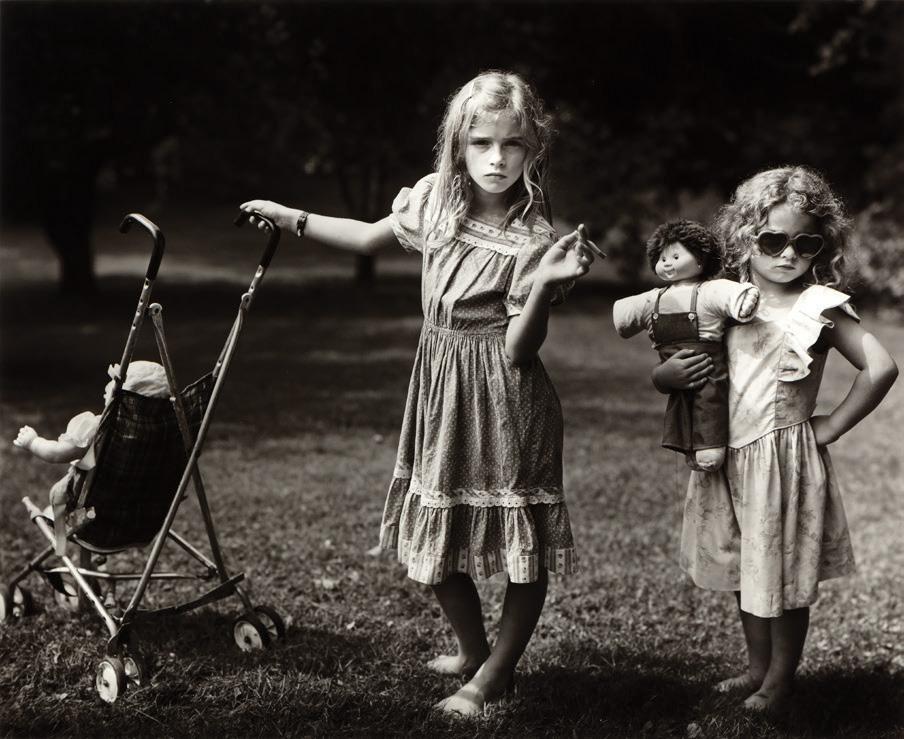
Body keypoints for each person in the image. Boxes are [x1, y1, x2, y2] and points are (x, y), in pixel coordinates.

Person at [239, 70, 599, 716]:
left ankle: (494, 676)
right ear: (458, 144)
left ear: (533, 148)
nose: (496, 158)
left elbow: (520, 350)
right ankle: (473, 649)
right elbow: (367, 236)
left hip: (507, 396)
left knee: (522, 549)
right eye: (481, 142)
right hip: (440, 384)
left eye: (512, 144)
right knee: (433, 532)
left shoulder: (536, 240)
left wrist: (545, 286)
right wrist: (290, 217)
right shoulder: (435, 200)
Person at [652, 166, 898, 713]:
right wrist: (664, 378)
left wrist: (832, 424)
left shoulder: (818, 307)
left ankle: (781, 680)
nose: (788, 254)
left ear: (821, 247)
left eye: (806, 244)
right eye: (773, 240)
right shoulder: (717, 301)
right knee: (748, 568)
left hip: (784, 464)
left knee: (783, 574)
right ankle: (757, 668)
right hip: (726, 458)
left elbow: (881, 367)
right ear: (745, 236)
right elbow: (682, 369)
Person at [612, 220, 759, 471]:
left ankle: (710, 445)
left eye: (676, 256)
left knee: (709, 400)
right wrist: (622, 316)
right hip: (671, 366)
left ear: (701, 259)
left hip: (706, 365)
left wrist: (742, 300)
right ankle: (689, 448)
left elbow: (729, 295)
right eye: (662, 258)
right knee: (680, 406)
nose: (667, 263)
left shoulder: (707, 291)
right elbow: (624, 317)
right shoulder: (654, 299)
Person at [13, 360, 171, 554]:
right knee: (100, 499)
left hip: (95, 520)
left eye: (113, 384)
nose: (107, 388)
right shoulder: (169, 435)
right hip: (140, 524)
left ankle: (61, 539)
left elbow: (56, 453)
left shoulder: (100, 429)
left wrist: (32, 442)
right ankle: (82, 553)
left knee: (58, 492)